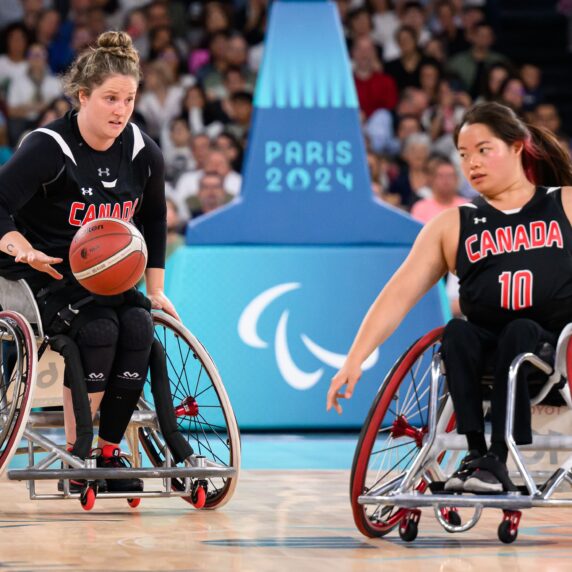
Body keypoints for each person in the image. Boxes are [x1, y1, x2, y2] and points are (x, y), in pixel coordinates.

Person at [327, 101, 572, 494]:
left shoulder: (564, 203)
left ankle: (499, 456)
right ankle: (477, 454)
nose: (471, 163)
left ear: (517, 147)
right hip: (486, 351)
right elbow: (397, 295)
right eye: (463, 154)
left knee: (520, 329)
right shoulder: (452, 224)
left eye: (483, 150)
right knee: (455, 332)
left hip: (549, 352)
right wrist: (353, 360)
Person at [0, 31, 178, 493]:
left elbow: (155, 219)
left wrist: (156, 289)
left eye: (129, 99)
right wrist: (21, 246)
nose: (121, 110)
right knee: (99, 331)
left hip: (102, 277)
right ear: (83, 97)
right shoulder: (48, 147)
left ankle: (110, 453)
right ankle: (77, 456)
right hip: (42, 273)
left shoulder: (142, 152)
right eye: (110, 98)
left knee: (140, 327)